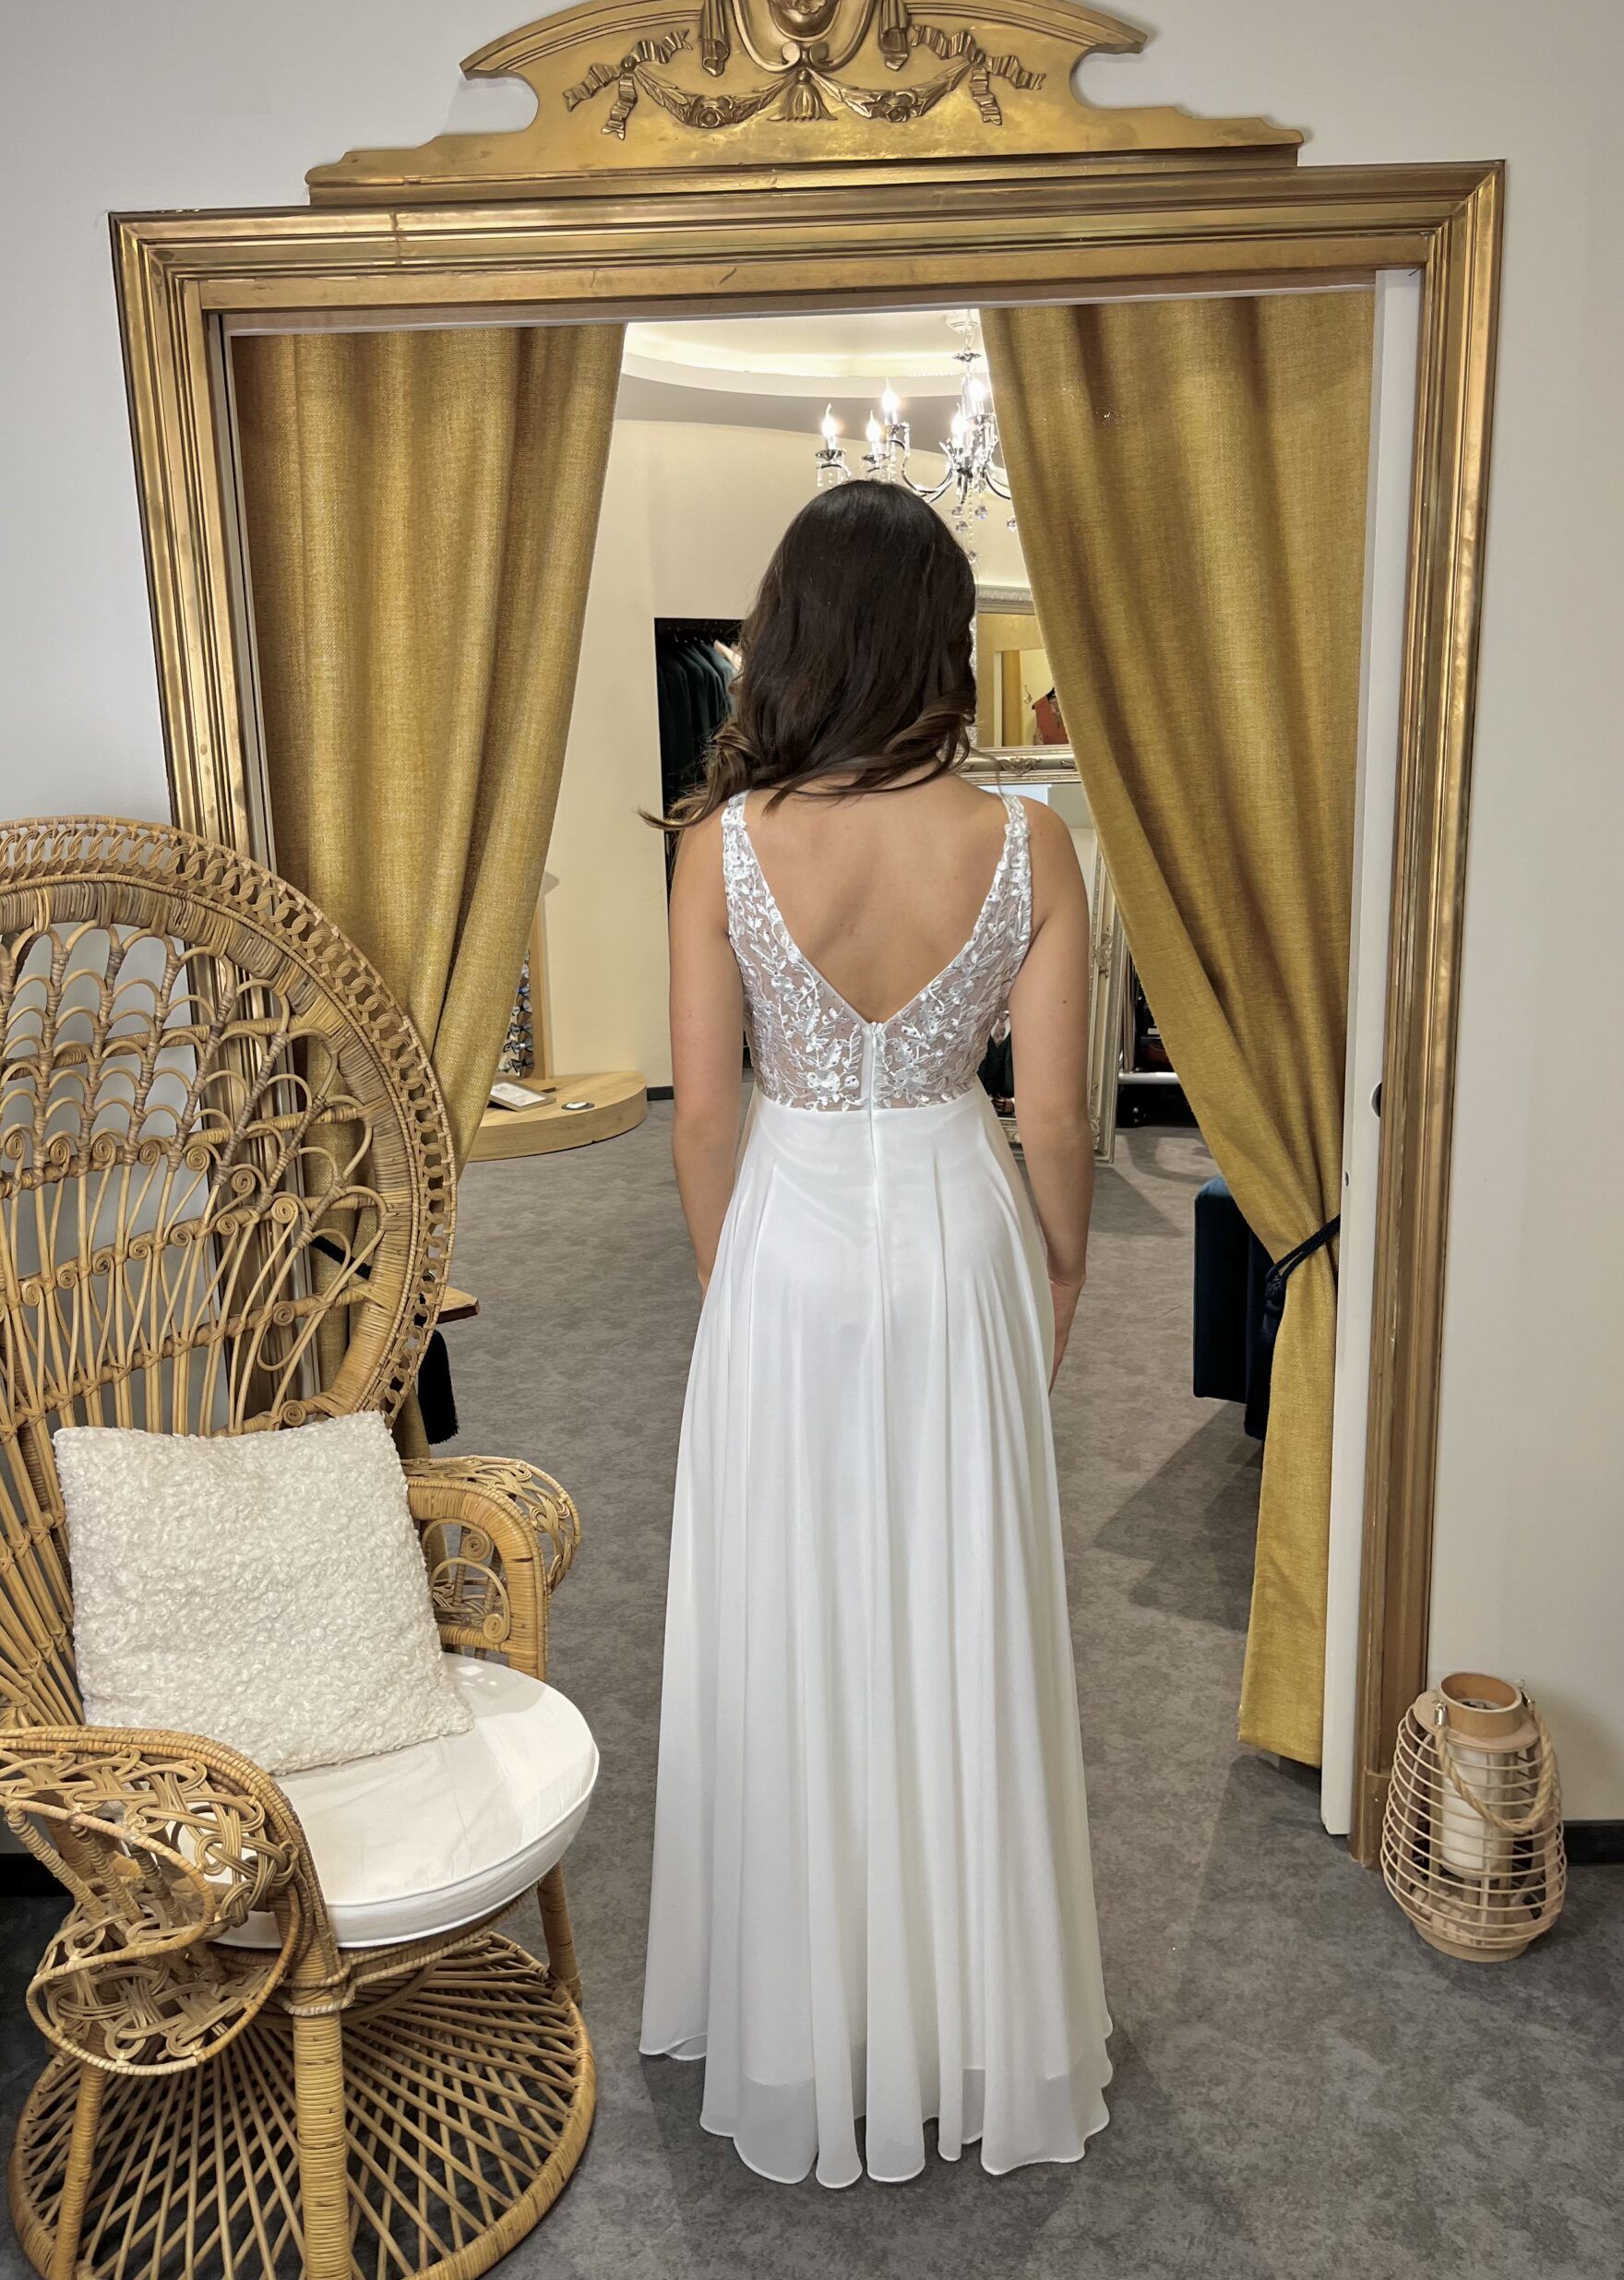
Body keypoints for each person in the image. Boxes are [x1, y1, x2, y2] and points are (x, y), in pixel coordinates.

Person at [639, 482, 1112, 2188]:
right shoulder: (1026, 846)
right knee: (956, 1606)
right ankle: (962, 2012)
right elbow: (1052, 1119)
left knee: (793, 1612)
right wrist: (1062, 1276)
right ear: (937, 645)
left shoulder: (721, 845)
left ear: (791, 634)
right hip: (960, 1233)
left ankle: (804, 2012)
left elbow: (704, 1117)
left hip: (785, 1242)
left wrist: (740, 1296)